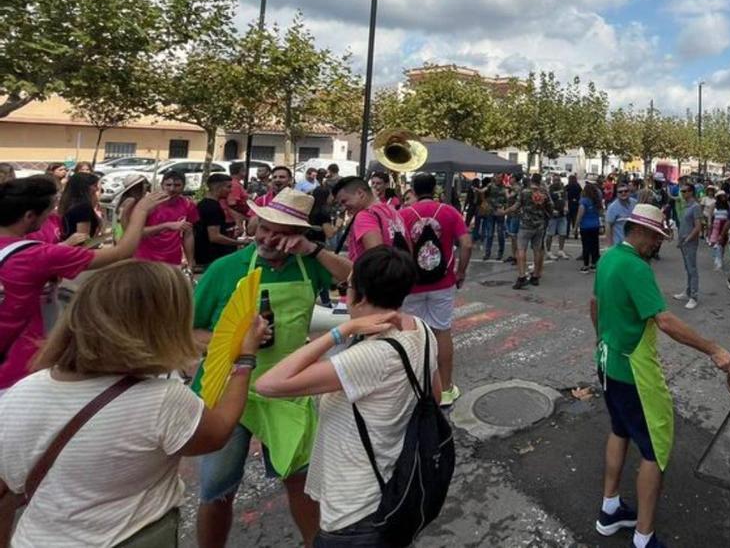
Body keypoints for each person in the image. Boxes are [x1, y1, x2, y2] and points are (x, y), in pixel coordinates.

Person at [0, 260, 268, 547]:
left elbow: (6, 492)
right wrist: (244, 360)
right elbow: (220, 431)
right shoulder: (162, 400)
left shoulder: (19, 394)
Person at [191, 187, 353, 548]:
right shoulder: (225, 269)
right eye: (263, 227)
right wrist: (234, 344)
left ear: (297, 235)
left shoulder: (309, 264)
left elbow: (356, 279)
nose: (267, 237)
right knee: (217, 489)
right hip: (227, 388)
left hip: (287, 390)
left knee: (301, 480)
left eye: (279, 231)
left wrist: (313, 250)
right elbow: (187, 332)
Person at [255, 246, 440, 544]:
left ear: (362, 296)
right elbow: (435, 394)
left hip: (355, 509)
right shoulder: (421, 329)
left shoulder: (370, 355)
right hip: (397, 485)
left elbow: (269, 384)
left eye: (347, 286)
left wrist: (344, 330)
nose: (344, 293)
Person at [592, 203, 730, 548]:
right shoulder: (635, 267)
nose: (658, 244)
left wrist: (602, 339)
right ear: (640, 232)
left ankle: (609, 508)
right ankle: (644, 537)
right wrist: (714, 349)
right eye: (656, 237)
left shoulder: (608, 257)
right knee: (654, 451)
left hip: (607, 361)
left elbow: (595, 305)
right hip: (634, 373)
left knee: (619, 430)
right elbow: (666, 321)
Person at [0, 176, 166, 391]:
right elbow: (121, 252)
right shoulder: (38, 255)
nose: (50, 215)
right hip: (17, 369)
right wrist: (141, 212)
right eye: (48, 210)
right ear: (29, 215)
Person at [397, 172, 471, 407]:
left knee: (412, 333)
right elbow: (467, 244)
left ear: (414, 190)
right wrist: (460, 272)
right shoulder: (449, 212)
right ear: (435, 189)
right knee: (442, 331)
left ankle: (415, 388)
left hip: (412, 284)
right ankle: (446, 389)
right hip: (443, 282)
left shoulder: (403, 214)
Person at [333, 176, 407, 263]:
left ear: (360, 193)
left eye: (344, 201)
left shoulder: (365, 216)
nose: (344, 207)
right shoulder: (392, 211)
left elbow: (376, 259)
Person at [135, 170, 198, 270]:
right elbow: (137, 233)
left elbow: (188, 235)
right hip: (145, 260)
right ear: (162, 185)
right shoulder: (148, 204)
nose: (172, 189)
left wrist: (190, 263)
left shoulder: (188, 205)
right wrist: (166, 225)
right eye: (168, 185)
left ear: (184, 186)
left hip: (172, 261)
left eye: (177, 185)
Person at [195, 173, 249, 270]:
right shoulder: (212, 207)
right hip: (211, 257)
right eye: (228, 187)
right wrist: (240, 243)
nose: (230, 190)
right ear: (218, 187)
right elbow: (214, 237)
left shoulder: (204, 204)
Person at [509, 172, 552, 290]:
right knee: (537, 250)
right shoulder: (544, 193)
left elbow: (516, 206)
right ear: (540, 181)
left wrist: (505, 211)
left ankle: (522, 276)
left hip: (525, 225)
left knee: (521, 250)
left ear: (531, 180)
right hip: (539, 225)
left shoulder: (524, 192)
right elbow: (550, 207)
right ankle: (536, 276)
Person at [672, 183, 702, 310]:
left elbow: (698, 226)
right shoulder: (685, 206)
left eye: (684, 191)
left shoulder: (695, 207)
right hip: (684, 241)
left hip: (690, 242)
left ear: (691, 192)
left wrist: (688, 238)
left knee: (692, 269)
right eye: (681, 191)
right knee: (688, 268)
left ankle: (694, 296)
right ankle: (688, 291)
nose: (682, 193)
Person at [58, 172, 103, 240]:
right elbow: (83, 237)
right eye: (95, 185)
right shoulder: (83, 207)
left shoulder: (70, 203)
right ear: (85, 187)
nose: (97, 189)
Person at [112, 173, 150, 241]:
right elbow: (124, 223)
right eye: (139, 187)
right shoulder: (130, 201)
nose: (143, 188)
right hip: (125, 236)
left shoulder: (135, 199)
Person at [577, 180, 604, 272]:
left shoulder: (584, 201)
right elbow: (601, 213)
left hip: (585, 226)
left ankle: (585, 265)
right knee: (595, 245)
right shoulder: (597, 201)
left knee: (586, 245)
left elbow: (580, 214)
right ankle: (594, 264)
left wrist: (575, 226)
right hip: (595, 225)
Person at [481, 176, 508, 262]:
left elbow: (507, 200)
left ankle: (500, 253)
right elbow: (482, 191)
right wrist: (484, 202)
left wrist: (504, 209)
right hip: (490, 212)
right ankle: (487, 253)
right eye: (498, 177)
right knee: (489, 234)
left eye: (500, 177)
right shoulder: (490, 186)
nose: (499, 179)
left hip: (499, 213)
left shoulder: (505, 188)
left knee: (500, 234)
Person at [545, 174, 570, 260]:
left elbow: (566, 199)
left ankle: (560, 250)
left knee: (562, 233)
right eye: (555, 180)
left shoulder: (562, 188)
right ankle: (548, 251)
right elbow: (548, 201)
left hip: (562, 214)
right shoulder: (549, 189)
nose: (556, 182)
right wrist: (552, 210)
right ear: (552, 180)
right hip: (553, 215)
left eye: (558, 180)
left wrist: (566, 207)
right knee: (550, 234)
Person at [707, 192, 729, 271]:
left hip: (724, 225)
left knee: (722, 243)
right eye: (722, 196)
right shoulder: (714, 205)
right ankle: (717, 259)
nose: (723, 197)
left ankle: (720, 258)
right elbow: (710, 214)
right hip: (716, 224)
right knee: (715, 242)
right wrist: (709, 223)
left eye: (724, 196)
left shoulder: (727, 205)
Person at [566, 173, 583, 239]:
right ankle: (575, 233)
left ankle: (567, 234)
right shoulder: (578, 186)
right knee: (575, 220)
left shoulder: (567, 186)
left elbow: (565, 195)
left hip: (569, 204)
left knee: (568, 220)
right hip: (576, 205)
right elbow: (581, 194)